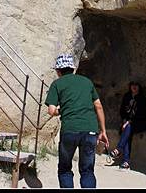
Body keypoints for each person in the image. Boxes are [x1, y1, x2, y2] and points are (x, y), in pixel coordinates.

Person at [45, 53, 109, 189]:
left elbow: (51, 110)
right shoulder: (87, 82)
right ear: (73, 69)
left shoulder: (57, 84)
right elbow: (98, 106)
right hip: (90, 130)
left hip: (70, 129)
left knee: (65, 168)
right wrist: (103, 131)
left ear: (58, 71)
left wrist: (63, 110)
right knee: (87, 170)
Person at [109, 81, 146, 170]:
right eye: (132, 85)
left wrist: (128, 122)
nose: (134, 87)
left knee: (129, 128)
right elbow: (122, 110)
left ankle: (118, 150)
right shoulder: (127, 96)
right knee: (128, 133)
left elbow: (140, 114)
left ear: (139, 87)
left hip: (139, 123)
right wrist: (124, 121)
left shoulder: (142, 99)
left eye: (136, 85)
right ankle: (125, 162)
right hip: (127, 123)